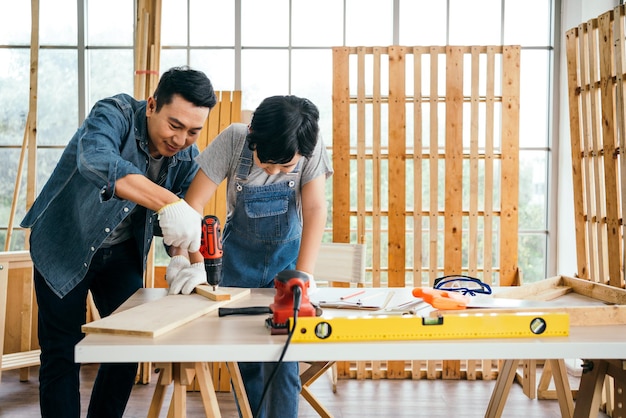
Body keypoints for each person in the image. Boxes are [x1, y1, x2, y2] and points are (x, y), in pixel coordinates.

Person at [20, 66, 217, 418]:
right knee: (63, 352)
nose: (181, 139)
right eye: (175, 125)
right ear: (153, 105)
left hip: (121, 254)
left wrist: (184, 259)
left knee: (128, 346)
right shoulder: (115, 113)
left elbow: (177, 226)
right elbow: (95, 160)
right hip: (65, 244)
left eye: (192, 131)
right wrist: (170, 203)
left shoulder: (186, 156)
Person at [167, 95, 333, 417]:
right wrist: (197, 264)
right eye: (266, 162)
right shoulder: (234, 138)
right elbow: (194, 204)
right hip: (237, 267)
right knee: (247, 365)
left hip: (286, 267)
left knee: (284, 362)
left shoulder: (309, 142)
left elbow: (314, 208)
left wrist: (304, 275)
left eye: (285, 167)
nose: (274, 171)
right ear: (253, 137)